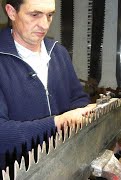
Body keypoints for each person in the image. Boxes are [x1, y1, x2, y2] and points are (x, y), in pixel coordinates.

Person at [0, 0, 95, 170]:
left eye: (49, 15)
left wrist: (85, 112)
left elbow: (77, 98)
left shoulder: (59, 53)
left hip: (64, 164)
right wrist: (57, 123)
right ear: (12, 12)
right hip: (17, 172)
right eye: (35, 14)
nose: (44, 25)